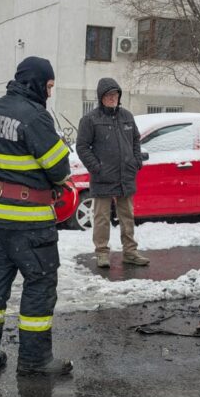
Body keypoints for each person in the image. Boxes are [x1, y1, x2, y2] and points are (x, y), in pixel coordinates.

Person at [0, 56, 74, 378]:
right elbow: (59, 169)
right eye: (49, 86)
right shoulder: (35, 117)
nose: (50, 93)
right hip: (29, 223)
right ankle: (34, 361)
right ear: (37, 82)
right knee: (39, 286)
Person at [76, 78, 150, 269]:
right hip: (102, 178)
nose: (112, 98)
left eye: (115, 95)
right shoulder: (90, 119)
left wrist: (136, 161)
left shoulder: (127, 116)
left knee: (128, 216)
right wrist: (96, 167)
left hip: (126, 175)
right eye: (109, 95)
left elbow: (135, 140)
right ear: (101, 97)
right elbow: (82, 147)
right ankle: (102, 253)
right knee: (101, 217)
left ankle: (130, 252)